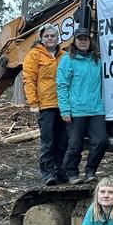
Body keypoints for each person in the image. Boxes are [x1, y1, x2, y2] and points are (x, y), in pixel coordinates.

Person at [56, 27, 108, 184]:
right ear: (75, 41)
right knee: (75, 145)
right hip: (76, 110)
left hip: (96, 108)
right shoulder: (67, 59)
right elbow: (61, 85)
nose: (83, 41)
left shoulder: (97, 59)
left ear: (90, 41)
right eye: (80, 39)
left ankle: (90, 171)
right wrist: (64, 109)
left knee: (101, 141)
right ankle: (71, 174)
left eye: (85, 39)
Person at [22, 23, 68, 185]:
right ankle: (48, 173)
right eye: (47, 36)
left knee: (63, 140)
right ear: (41, 39)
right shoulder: (34, 55)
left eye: (53, 36)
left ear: (57, 38)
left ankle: (60, 170)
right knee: (48, 140)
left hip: (63, 105)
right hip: (46, 105)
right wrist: (33, 102)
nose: (50, 38)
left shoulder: (64, 55)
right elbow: (29, 79)